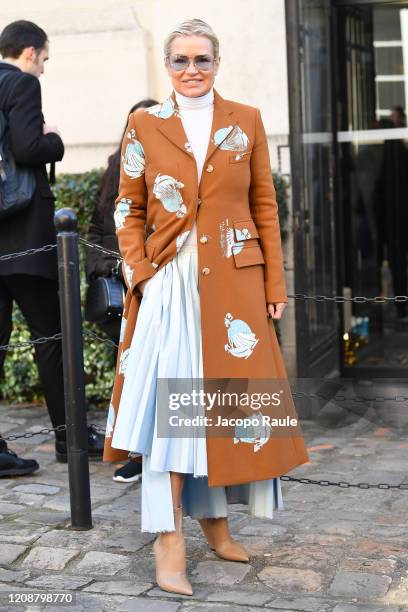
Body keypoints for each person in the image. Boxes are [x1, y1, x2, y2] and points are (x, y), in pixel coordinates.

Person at [103, 18, 309, 596]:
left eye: (201, 60)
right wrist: (140, 271)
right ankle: (168, 540)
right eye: (180, 61)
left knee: (220, 400)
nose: (191, 70)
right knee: (173, 409)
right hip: (168, 284)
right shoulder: (144, 123)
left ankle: (213, 520)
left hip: (235, 289)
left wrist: (274, 284)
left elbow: (264, 205)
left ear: (217, 64)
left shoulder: (247, 119)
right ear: (166, 67)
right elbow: (128, 206)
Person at [0, 20, 104, 472]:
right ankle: (72, 438)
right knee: (52, 337)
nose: (42, 68)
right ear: (29, 52)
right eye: (43, 58)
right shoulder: (21, 84)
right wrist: (55, 139)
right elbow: (28, 148)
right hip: (24, 235)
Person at [85, 98, 158, 483]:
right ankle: (140, 454)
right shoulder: (116, 170)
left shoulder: (175, 166)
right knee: (136, 374)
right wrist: (120, 265)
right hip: (128, 292)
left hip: (166, 285)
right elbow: (95, 235)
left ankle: (161, 453)